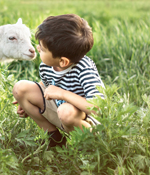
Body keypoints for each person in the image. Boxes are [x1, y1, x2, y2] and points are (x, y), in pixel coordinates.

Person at [12, 14, 104, 147]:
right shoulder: (47, 65)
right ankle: (54, 138)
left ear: (63, 61)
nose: (37, 48)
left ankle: (87, 144)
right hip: (60, 111)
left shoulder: (84, 69)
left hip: (85, 121)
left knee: (66, 111)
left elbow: (98, 108)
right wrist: (27, 101)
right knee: (21, 89)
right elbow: (48, 86)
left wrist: (62, 94)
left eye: (42, 49)